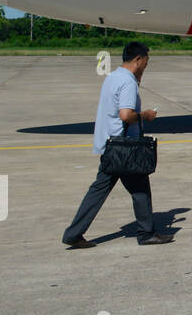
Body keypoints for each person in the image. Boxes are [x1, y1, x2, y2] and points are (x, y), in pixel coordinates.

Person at [62, 41, 173, 247]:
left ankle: (73, 233)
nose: (146, 66)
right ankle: (146, 233)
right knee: (140, 190)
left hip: (109, 146)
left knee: (98, 191)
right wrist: (146, 115)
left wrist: (137, 78)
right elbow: (126, 114)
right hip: (125, 148)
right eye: (146, 62)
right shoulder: (127, 82)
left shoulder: (113, 77)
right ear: (138, 60)